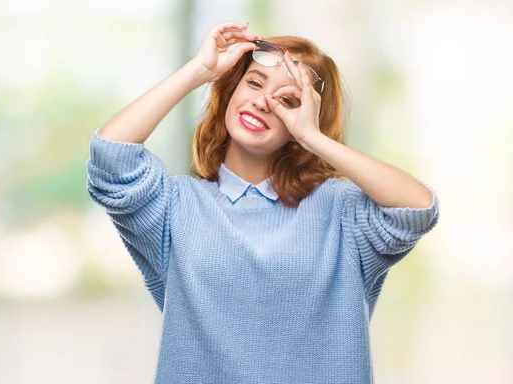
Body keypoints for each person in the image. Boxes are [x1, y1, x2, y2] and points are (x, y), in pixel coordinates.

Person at [86, 21, 439, 384]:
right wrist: (199, 72)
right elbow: (110, 157)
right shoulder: (176, 207)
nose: (262, 101)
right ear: (231, 89)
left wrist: (312, 137)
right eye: (254, 83)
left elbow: (417, 208)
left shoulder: (341, 211)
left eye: (288, 101)